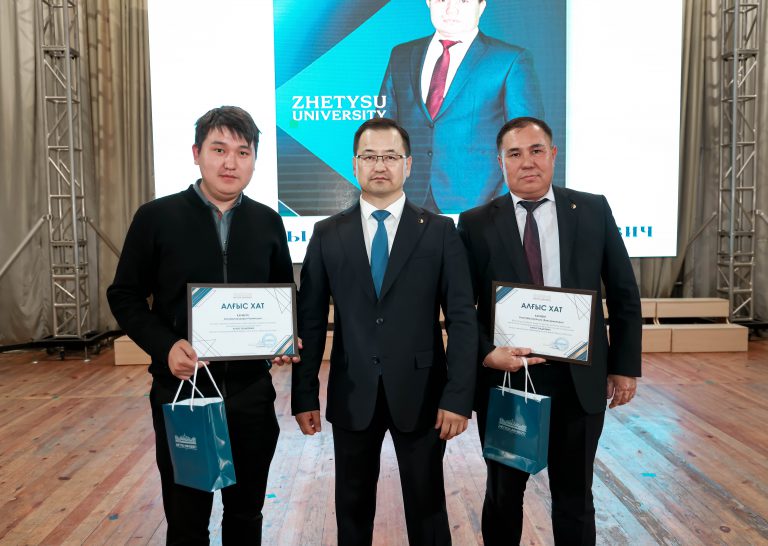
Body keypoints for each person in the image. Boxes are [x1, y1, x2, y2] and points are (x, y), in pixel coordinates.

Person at [107, 106, 295, 544]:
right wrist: (165, 346)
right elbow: (124, 295)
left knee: (246, 515)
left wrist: (285, 337)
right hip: (182, 395)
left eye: (243, 152)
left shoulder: (268, 222)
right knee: (187, 521)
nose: (231, 162)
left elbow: (283, 294)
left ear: (254, 160)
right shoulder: (156, 217)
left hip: (251, 395)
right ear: (196, 154)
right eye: (219, 149)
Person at [292, 117, 478, 545]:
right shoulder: (327, 234)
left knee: (428, 511)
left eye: (391, 156)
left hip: (423, 395)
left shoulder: (439, 232)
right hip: (352, 393)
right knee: (352, 511)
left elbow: (462, 320)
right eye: (370, 156)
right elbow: (311, 321)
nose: (380, 165)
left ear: (408, 165)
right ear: (355, 164)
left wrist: (458, 397)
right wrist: (304, 394)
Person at [457, 117, 642, 545]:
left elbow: (624, 293)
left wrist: (624, 366)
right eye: (515, 153)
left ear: (553, 155)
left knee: (575, 497)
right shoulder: (475, 222)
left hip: (580, 381)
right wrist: (486, 353)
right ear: (500, 162)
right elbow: (462, 307)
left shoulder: (593, 210)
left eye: (536, 150)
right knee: (503, 496)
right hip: (509, 382)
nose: (528, 162)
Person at [379, 0, 544, 214]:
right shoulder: (401, 54)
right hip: (408, 202)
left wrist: (500, 206)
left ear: (481, 6)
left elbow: (528, 143)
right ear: (428, 2)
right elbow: (383, 131)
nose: (451, 9)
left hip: (479, 207)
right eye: (442, 0)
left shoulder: (510, 60)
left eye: (463, 0)